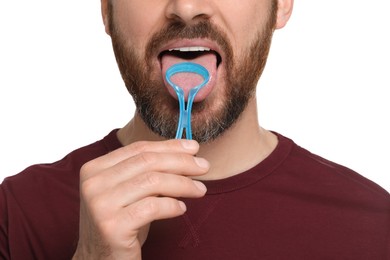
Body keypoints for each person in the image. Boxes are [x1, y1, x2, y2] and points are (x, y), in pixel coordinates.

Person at [1, 0, 389, 259]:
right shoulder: (17, 215)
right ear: (107, 9)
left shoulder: (375, 229)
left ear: (281, 4)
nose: (186, 7)